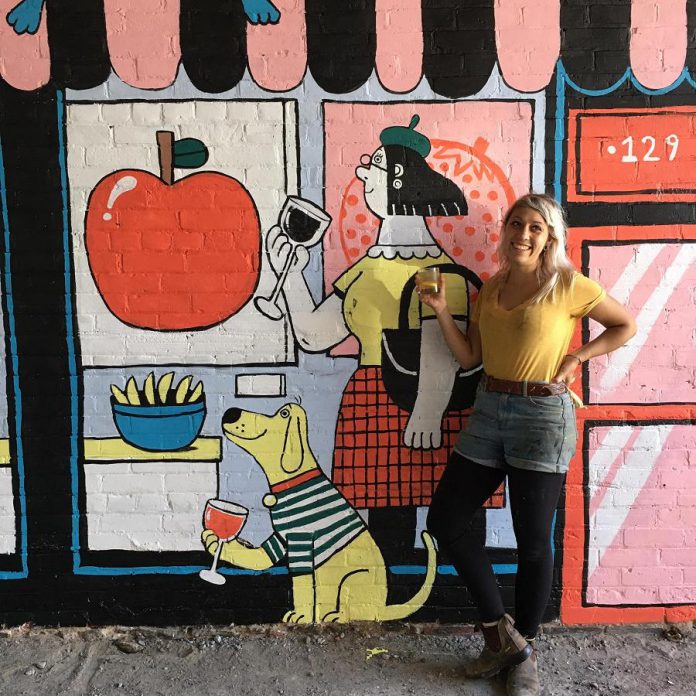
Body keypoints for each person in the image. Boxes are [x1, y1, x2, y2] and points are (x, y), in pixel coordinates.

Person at [419, 193, 636, 696]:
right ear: (505, 229)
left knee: (533, 541)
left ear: (550, 236)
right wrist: (440, 312)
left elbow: (625, 324)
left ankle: (526, 652)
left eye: (536, 227)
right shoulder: (491, 287)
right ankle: (502, 636)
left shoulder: (568, 284)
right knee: (446, 520)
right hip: (489, 408)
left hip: (543, 414)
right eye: (516, 223)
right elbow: (471, 355)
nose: (523, 234)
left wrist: (578, 355)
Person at [265, 115, 477, 566]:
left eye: (374, 167)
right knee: (386, 521)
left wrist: (428, 411)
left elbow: (442, 347)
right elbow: (315, 335)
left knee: (445, 517)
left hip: (421, 404)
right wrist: (290, 275)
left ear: (402, 184)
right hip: (372, 396)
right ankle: (388, 596)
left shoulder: (438, 268)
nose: (362, 173)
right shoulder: (366, 266)